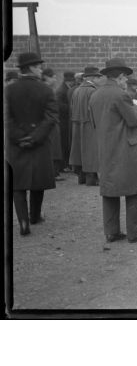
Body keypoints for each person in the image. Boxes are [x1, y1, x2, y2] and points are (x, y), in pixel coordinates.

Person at [89, 58, 137, 243]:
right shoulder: (121, 95)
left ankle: (112, 232)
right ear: (119, 77)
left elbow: (95, 123)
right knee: (133, 189)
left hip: (105, 149)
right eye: (125, 77)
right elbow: (135, 120)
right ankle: (135, 232)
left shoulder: (95, 95)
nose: (126, 80)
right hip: (126, 148)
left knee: (110, 190)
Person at [5, 52, 58, 236]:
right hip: (39, 144)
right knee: (38, 182)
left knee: (18, 185)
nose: (41, 69)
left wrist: (19, 137)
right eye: (39, 66)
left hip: (16, 145)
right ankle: (35, 216)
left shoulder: (9, 90)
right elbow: (51, 118)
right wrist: (34, 137)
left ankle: (23, 223)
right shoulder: (46, 90)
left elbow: (6, 118)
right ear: (32, 68)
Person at [69, 66, 103, 185]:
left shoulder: (76, 90)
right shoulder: (93, 91)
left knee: (79, 151)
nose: (100, 80)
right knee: (91, 151)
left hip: (77, 124)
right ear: (93, 78)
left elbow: (72, 108)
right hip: (89, 124)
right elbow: (95, 110)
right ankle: (91, 179)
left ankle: (81, 177)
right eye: (98, 77)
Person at [42, 68, 65, 181]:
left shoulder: (50, 89)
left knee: (55, 149)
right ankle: (51, 173)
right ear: (46, 77)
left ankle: (54, 172)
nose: (55, 79)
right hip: (49, 124)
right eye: (53, 76)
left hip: (53, 123)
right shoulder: (44, 90)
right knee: (52, 149)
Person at [55, 71, 75, 171]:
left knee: (66, 143)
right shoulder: (61, 91)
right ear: (68, 81)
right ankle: (64, 165)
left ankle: (66, 164)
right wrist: (71, 108)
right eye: (71, 80)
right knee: (64, 143)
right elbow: (59, 106)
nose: (73, 82)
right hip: (63, 122)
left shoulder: (66, 88)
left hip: (66, 121)